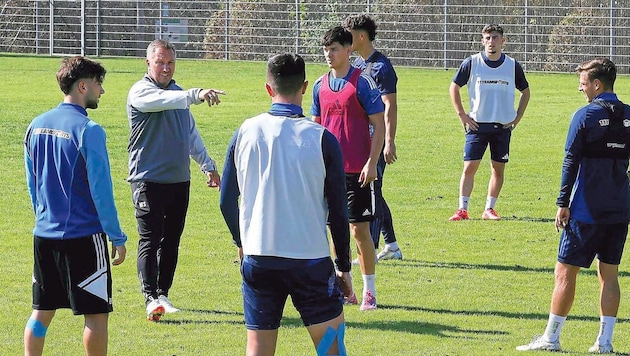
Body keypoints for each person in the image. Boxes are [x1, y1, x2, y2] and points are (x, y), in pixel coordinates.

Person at [219, 53, 352, 355]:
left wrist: (242, 241)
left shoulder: (244, 132)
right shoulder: (323, 139)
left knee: (258, 350)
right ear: (305, 87)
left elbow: (227, 201)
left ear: (268, 88)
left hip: (259, 257)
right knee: (332, 348)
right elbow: (339, 213)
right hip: (310, 261)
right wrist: (343, 267)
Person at [517, 58, 630, 353]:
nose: (580, 89)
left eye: (583, 84)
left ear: (596, 84)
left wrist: (562, 203)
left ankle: (551, 339)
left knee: (565, 272)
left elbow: (571, 160)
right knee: (610, 274)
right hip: (619, 209)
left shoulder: (585, 116)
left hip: (585, 209)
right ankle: (604, 343)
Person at [23, 56, 127, 356]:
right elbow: (102, 193)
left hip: (44, 236)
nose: (101, 92)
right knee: (95, 316)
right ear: (83, 86)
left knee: (41, 314)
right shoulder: (89, 130)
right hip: (83, 239)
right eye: (98, 85)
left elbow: (33, 185)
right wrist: (117, 237)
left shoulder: (35, 126)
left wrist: (44, 218)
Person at [127, 39, 224, 321]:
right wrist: (195, 94)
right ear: (148, 63)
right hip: (147, 179)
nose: (166, 68)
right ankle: (150, 298)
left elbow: (190, 134)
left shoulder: (180, 95)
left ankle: (163, 293)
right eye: (160, 62)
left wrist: (208, 165)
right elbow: (160, 101)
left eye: (170, 62)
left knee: (171, 241)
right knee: (150, 237)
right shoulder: (141, 92)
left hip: (178, 180)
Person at [311, 26, 385, 311]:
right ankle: (346, 288)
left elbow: (379, 125)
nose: (329, 55)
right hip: (329, 173)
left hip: (359, 171)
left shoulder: (362, 83)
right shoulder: (319, 86)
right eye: (326, 50)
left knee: (359, 231)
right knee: (336, 230)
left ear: (348, 50)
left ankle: (370, 291)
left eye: (335, 49)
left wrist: (372, 162)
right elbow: (316, 129)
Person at [448, 24, 530, 221]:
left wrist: (517, 118)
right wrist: (462, 114)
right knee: (469, 167)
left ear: (503, 41)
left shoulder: (512, 65)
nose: (491, 42)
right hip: (477, 125)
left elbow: (525, 92)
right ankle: (462, 209)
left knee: (498, 168)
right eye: (487, 38)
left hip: (502, 126)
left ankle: (489, 209)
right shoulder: (472, 63)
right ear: (482, 41)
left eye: (495, 37)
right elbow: (454, 87)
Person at [344, 14, 403, 262]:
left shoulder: (381, 67)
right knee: (373, 192)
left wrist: (389, 140)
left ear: (360, 36)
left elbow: (390, 106)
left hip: (375, 142)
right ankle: (391, 246)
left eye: (350, 34)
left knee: (371, 191)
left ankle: (372, 248)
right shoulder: (358, 65)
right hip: (361, 142)